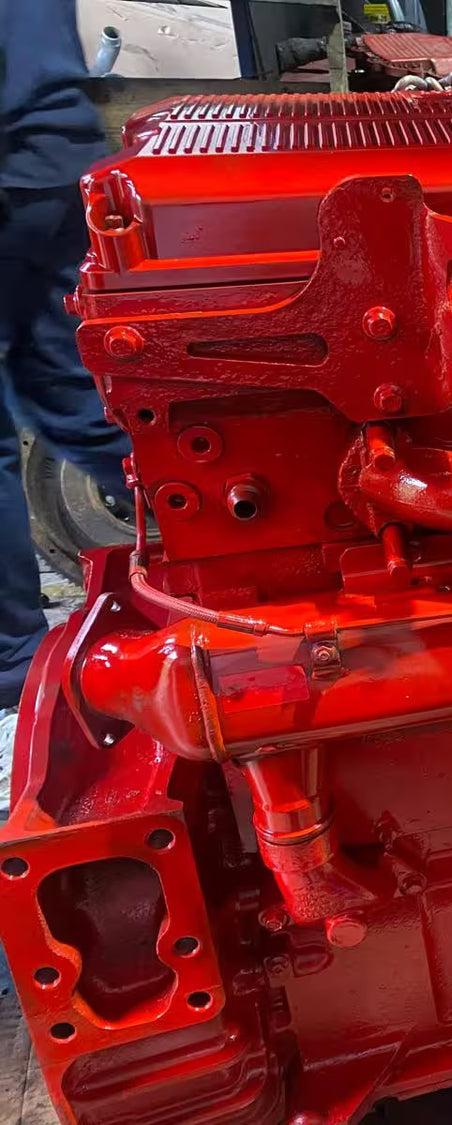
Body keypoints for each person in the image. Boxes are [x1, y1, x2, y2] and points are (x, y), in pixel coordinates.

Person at [0, 0, 131, 710]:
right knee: (70, 392)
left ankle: (11, 655)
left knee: (57, 393)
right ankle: (213, 542)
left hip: (15, 163)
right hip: (57, 158)